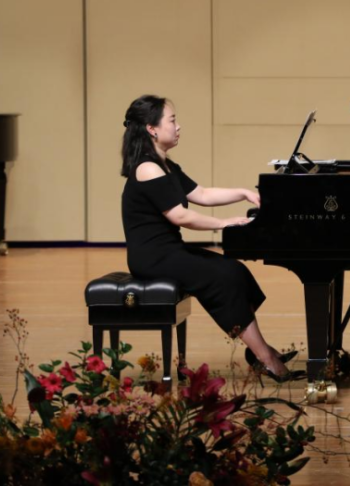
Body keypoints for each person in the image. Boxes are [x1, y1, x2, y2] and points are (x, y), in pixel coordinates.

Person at [120, 94, 293, 379]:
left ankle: (258, 351)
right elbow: (180, 216)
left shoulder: (165, 165)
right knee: (222, 278)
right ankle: (266, 359)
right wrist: (224, 223)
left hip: (168, 252)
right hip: (152, 258)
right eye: (172, 120)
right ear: (152, 129)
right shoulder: (147, 168)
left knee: (235, 271)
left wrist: (243, 193)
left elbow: (202, 194)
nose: (178, 126)